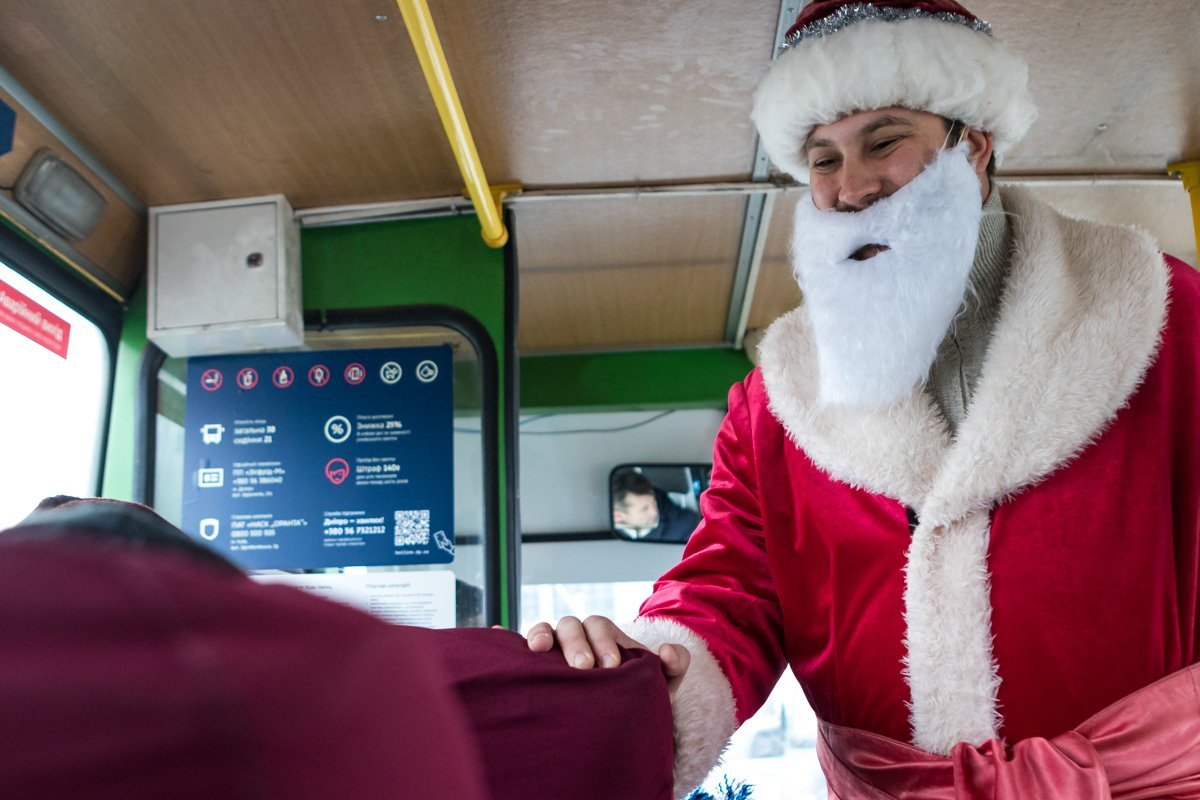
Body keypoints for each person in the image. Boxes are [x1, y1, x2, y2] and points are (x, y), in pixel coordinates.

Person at [528, 2, 1200, 797]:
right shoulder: (776, 404)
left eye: (884, 142)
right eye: (822, 159)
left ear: (973, 144)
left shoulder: (1163, 318)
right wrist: (645, 667)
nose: (850, 188)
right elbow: (729, 590)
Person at [612, 469, 701, 543]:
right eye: (645, 509)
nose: (654, 512)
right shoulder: (609, 540)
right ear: (618, 516)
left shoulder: (685, 526)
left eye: (654, 502)